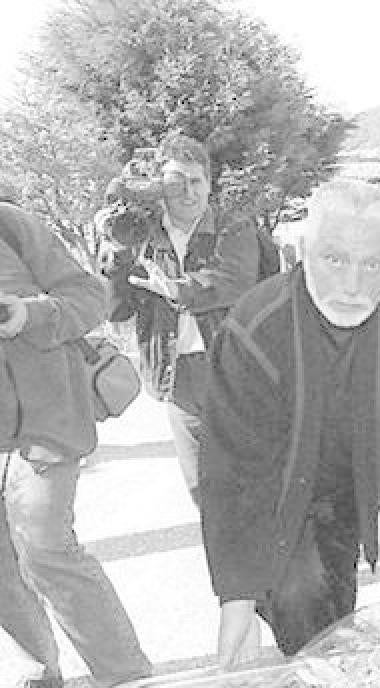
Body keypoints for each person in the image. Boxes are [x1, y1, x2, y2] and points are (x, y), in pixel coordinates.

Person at [197, 179, 380, 667]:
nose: (353, 285)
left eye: (373, 264)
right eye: (335, 259)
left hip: (349, 493)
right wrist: (237, 599)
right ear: (303, 252)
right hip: (269, 491)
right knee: (301, 602)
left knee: (334, 618)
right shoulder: (254, 330)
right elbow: (228, 471)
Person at [0, 202, 151, 688]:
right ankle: (41, 669)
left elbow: (90, 296)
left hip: (47, 421)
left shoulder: (10, 225)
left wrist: (32, 314)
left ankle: (128, 684)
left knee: (45, 548)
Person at [104, 133, 259, 506]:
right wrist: (116, 257)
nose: (188, 192)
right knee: (202, 491)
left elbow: (233, 280)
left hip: (234, 368)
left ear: (209, 184)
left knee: (248, 480)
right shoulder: (142, 235)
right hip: (177, 374)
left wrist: (177, 289)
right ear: (159, 188)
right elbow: (116, 310)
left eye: (196, 181)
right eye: (175, 182)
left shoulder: (233, 226)